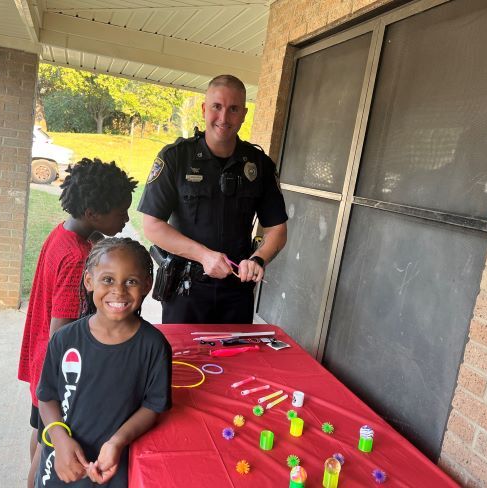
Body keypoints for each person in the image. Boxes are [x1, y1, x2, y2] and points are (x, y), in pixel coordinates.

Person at [18, 158, 138, 488]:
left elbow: (93, 237)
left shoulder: (64, 235)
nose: (126, 219)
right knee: (50, 451)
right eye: (120, 211)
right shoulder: (76, 259)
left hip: (39, 359)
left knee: (40, 435)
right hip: (55, 372)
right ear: (93, 213)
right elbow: (63, 334)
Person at [138, 74, 288, 324]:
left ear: (243, 113)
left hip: (236, 291)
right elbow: (152, 226)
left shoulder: (259, 165)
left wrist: (258, 258)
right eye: (217, 107)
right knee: (182, 362)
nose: (224, 118)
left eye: (233, 109)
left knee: (237, 361)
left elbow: (277, 229)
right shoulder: (176, 158)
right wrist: (203, 255)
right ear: (204, 109)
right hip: (185, 290)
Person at [34, 237, 172, 487]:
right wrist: (59, 437)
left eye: (131, 281)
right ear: (89, 281)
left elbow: (152, 407)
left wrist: (116, 442)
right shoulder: (65, 339)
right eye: (107, 279)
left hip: (113, 466)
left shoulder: (154, 346)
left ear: (146, 286)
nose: (118, 290)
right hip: (64, 459)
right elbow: (46, 396)